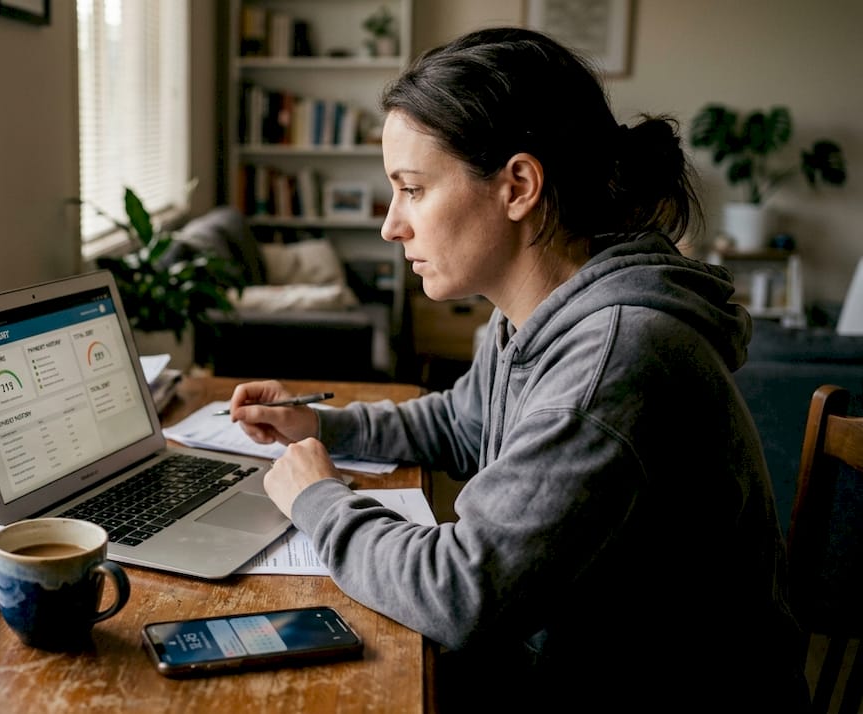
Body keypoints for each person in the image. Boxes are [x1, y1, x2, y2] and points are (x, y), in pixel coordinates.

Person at [226, 27, 808, 712]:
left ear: (519, 186)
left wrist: (317, 498)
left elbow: (457, 591)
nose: (391, 225)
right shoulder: (538, 309)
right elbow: (462, 419)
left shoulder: (613, 360)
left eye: (412, 189)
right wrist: (320, 424)